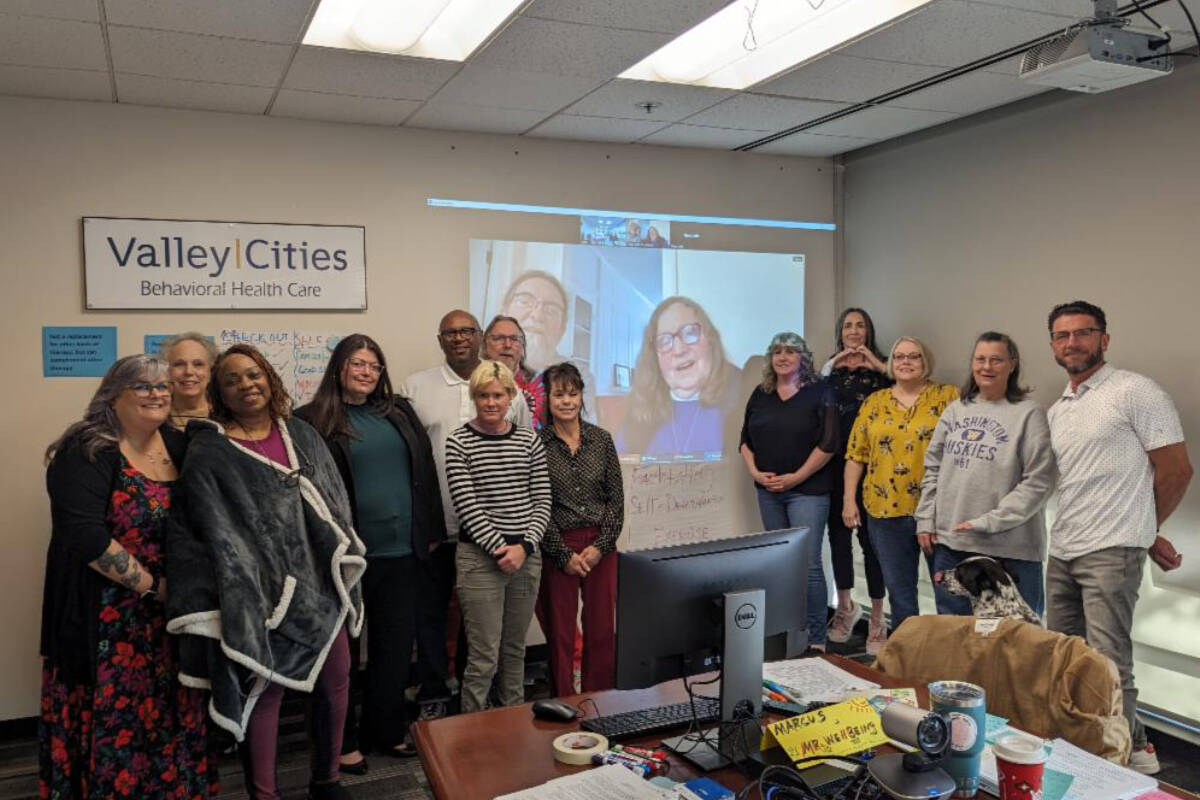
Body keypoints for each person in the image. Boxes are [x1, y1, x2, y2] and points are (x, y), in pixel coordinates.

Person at [167, 344, 365, 800]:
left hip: (322, 588)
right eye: (232, 379)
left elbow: (334, 505)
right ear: (219, 392)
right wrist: (257, 583)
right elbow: (214, 532)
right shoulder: (210, 452)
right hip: (259, 596)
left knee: (336, 678)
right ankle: (265, 793)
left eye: (253, 375)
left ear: (269, 379)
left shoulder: (302, 433)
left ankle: (327, 780)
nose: (246, 385)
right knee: (264, 692)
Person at [39, 355, 215, 800]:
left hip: (172, 620)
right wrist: (155, 587)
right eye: (142, 386)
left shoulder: (178, 444)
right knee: (117, 726)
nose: (157, 393)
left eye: (162, 386)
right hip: (107, 622)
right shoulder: (88, 449)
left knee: (173, 714)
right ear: (113, 395)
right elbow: (84, 537)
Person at [1043, 300, 1191, 775]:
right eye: (1063, 335)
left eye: (1083, 333)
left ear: (1104, 339)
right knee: (1068, 659)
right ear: (1052, 345)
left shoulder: (1136, 391)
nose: (1073, 343)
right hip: (1063, 548)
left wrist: (1145, 531)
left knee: (1108, 665)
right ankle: (1136, 747)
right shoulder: (1059, 408)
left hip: (1111, 551)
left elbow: (1176, 470)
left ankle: (1116, 768)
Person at [295, 334, 446, 768]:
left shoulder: (398, 410)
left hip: (403, 552)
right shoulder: (311, 419)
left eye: (374, 365)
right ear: (339, 367)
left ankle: (386, 729)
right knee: (342, 659)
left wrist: (431, 530)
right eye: (357, 364)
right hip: (346, 559)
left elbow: (425, 471)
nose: (366, 372)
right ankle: (341, 742)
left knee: (395, 649)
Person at [399, 310, 531, 715]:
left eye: (467, 331)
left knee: (486, 631)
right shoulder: (415, 387)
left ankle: (482, 696)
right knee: (433, 616)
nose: (459, 338)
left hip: (499, 536)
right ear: (440, 339)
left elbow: (525, 460)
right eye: (450, 333)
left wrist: (521, 539)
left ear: (480, 337)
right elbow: (409, 458)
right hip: (438, 527)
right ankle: (436, 692)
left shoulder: (513, 393)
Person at [916, 331, 1056, 617]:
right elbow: (932, 469)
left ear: (1012, 364)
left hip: (1010, 550)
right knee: (954, 639)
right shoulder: (955, 411)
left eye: (996, 360)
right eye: (980, 359)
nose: (986, 367)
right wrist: (925, 519)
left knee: (1016, 644)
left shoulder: (1029, 414)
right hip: (953, 545)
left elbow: (1039, 481)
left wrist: (990, 521)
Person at [444, 360, 551, 712]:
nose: (491, 402)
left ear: (511, 397)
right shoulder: (458, 442)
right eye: (484, 395)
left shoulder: (528, 439)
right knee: (483, 657)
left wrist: (524, 548)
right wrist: (503, 550)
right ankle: (472, 736)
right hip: (480, 561)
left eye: (498, 395)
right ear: (474, 397)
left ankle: (513, 725)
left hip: (526, 556)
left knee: (514, 651)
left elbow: (542, 499)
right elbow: (468, 508)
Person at [844, 337, 957, 635]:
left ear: (925, 362)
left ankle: (950, 662)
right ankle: (910, 663)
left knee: (950, 594)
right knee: (902, 596)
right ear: (891, 363)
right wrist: (848, 501)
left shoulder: (948, 397)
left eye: (914, 357)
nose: (906, 362)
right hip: (884, 514)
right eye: (899, 357)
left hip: (936, 513)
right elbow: (856, 456)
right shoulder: (875, 402)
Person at [739, 333, 837, 650]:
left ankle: (817, 639)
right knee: (779, 564)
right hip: (768, 492)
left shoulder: (821, 391)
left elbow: (829, 443)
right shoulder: (761, 393)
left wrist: (796, 477)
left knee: (807, 566)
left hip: (807, 491)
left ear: (803, 357)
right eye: (777, 351)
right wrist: (755, 472)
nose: (782, 357)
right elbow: (744, 440)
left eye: (790, 351)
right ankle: (785, 633)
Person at [538, 362, 624, 694]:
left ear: (581, 396)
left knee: (601, 628)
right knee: (560, 631)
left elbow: (616, 501)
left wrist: (601, 546)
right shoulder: (537, 444)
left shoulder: (602, 440)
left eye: (573, 394)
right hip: (558, 546)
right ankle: (564, 700)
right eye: (559, 395)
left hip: (601, 546)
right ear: (547, 399)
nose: (566, 401)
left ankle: (600, 698)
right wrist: (562, 554)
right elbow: (538, 507)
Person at [823, 309, 891, 652]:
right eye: (848, 326)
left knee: (871, 543)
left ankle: (878, 617)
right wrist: (835, 361)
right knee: (838, 539)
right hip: (834, 467)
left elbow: (904, 384)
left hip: (873, 469)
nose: (854, 331)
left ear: (869, 330)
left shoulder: (884, 368)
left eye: (860, 325)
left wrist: (875, 363)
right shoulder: (830, 369)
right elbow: (810, 391)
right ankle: (846, 607)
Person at [617, 296, 742, 457]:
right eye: (664, 341)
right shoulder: (639, 414)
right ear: (655, 357)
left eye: (690, 333)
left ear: (710, 339)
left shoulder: (745, 396)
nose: (679, 350)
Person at [498, 270, 597, 417]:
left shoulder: (579, 376)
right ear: (503, 312)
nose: (537, 316)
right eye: (525, 302)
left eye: (551, 310)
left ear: (562, 329)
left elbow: (583, 436)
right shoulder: (476, 367)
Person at [483, 314, 547, 429]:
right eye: (499, 338)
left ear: (523, 347)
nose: (507, 345)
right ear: (485, 344)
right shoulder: (474, 383)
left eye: (514, 339)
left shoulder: (542, 385)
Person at [161, 332, 218, 430]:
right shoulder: (155, 416)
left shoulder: (227, 414)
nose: (189, 372)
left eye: (198, 364)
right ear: (167, 371)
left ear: (210, 371)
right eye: (179, 364)